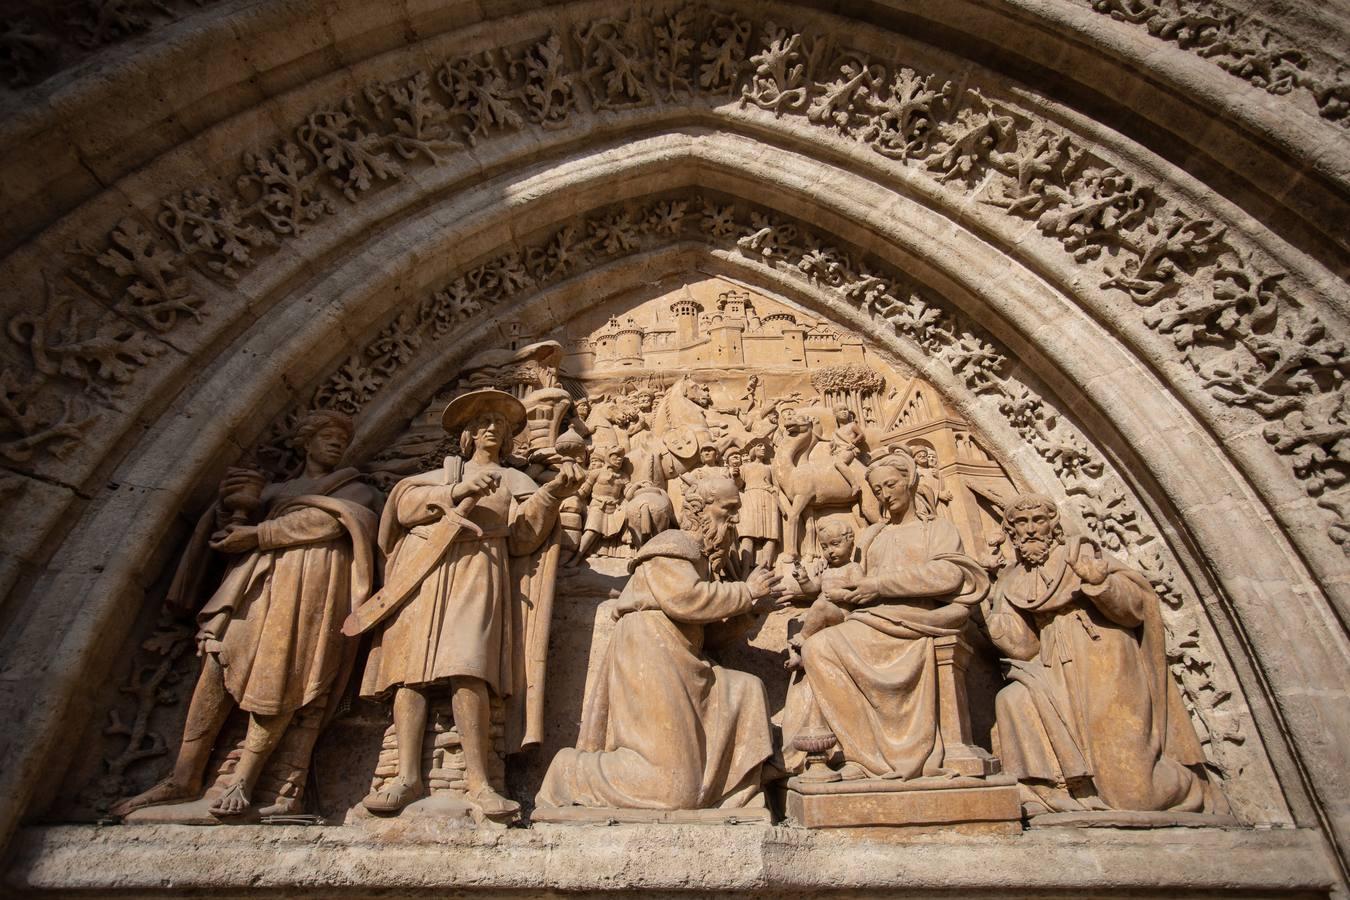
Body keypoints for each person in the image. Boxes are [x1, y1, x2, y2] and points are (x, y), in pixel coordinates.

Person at [111, 410, 380, 818]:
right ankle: (184, 775)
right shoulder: (273, 494)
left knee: (285, 674)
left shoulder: (355, 489)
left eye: (341, 438)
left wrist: (257, 534)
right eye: (326, 435)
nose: (335, 443)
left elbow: (327, 521)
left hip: (312, 585)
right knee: (219, 663)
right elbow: (225, 535)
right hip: (254, 582)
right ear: (304, 442)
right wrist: (230, 512)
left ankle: (246, 780)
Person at [357, 389, 584, 818]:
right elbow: (403, 507)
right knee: (410, 673)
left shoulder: (517, 481)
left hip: (480, 571)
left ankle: (479, 782)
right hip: (426, 571)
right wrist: (459, 489)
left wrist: (552, 493)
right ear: (467, 434)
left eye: (500, 423)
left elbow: (523, 538)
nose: (492, 429)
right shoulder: (441, 473)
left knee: (470, 668)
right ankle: (406, 777)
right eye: (483, 422)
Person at [536, 478, 786, 811]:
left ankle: (734, 793)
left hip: (681, 658)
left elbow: (708, 634)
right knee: (672, 789)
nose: (736, 520)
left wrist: (752, 613)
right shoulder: (674, 543)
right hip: (650, 650)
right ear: (700, 509)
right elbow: (686, 599)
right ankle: (569, 773)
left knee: (745, 689)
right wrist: (746, 592)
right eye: (729, 510)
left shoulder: (698, 559)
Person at [985, 494, 1227, 815]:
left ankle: (1195, 790)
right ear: (1010, 531)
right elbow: (1023, 647)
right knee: (1012, 699)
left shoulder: (1080, 554)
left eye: (1038, 521)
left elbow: (1135, 609)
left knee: (1134, 793)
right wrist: (988, 606)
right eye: (1020, 523)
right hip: (1052, 666)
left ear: (1053, 525)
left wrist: (1100, 583)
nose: (1029, 530)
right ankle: (1055, 793)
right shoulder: (1013, 578)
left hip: (1105, 661)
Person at [781, 449, 986, 780]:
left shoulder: (938, 530)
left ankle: (881, 757)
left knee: (821, 648)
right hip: (871, 620)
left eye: (890, 485)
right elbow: (857, 582)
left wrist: (879, 586)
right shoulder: (875, 535)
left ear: (910, 481)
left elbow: (948, 576)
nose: (884, 495)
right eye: (877, 491)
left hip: (916, 620)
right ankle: (861, 756)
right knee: (816, 648)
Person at [785, 517, 864, 670]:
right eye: (824, 547)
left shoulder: (853, 568)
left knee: (821, 605)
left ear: (850, 545)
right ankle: (795, 656)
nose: (830, 551)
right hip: (821, 611)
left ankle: (804, 637)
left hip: (842, 615)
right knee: (794, 622)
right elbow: (813, 590)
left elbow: (860, 591)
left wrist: (841, 595)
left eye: (835, 544)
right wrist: (803, 580)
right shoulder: (826, 570)